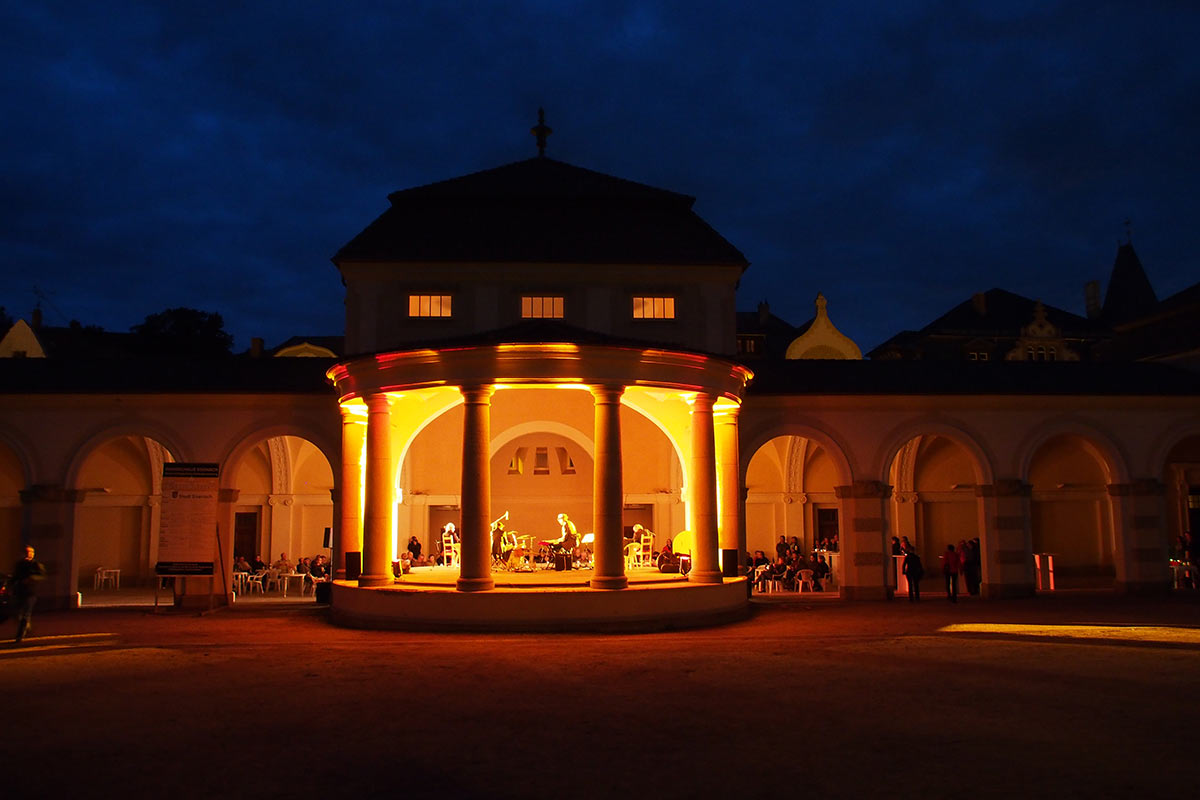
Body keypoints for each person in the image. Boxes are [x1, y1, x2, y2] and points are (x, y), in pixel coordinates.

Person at [11, 545, 46, 643]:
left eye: (31, 552)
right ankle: (26, 626)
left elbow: (42, 575)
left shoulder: (36, 565)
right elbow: (15, 576)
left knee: (26, 614)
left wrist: (32, 578)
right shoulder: (19, 564)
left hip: (30, 593)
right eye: (27, 552)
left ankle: (20, 636)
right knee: (17, 614)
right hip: (19, 592)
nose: (29, 554)